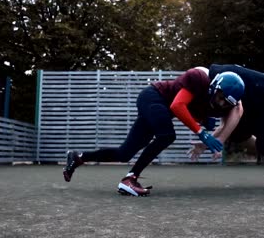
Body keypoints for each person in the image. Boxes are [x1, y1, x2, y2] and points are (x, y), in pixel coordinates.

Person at [62, 67, 245, 196]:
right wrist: (201, 133)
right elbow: (177, 105)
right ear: (216, 85)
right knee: (167, 135)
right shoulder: (198, 77)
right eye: (221, 97)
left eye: (225, 103)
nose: (220, 104)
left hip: (159, 109)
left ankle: (78, 157)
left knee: (124, 153)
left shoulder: (215, 103)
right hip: (152, 97)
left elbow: (192, 111)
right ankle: (130, 179)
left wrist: (206, 123)